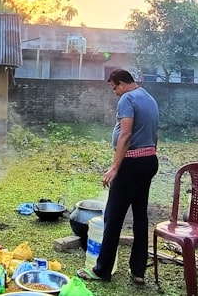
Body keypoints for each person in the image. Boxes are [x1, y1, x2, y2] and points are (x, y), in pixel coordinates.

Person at [77, 69, 159, 286]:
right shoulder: (149, 98)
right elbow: (155, 133)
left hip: (130, 164)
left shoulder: (128, 98)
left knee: (113, 218)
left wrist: (115, 167)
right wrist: (148, 156)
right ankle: (138, 271)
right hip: (149, 160)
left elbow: (126, 133)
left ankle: (101, 270)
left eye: (114, 87)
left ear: (122, 83)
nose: (115, 92)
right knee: (140, 216)